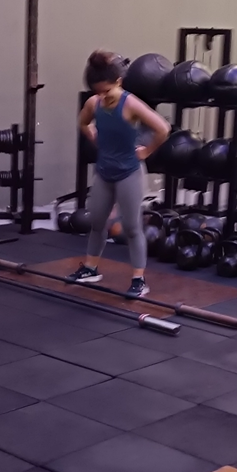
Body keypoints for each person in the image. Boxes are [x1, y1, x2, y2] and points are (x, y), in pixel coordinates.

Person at [70, 51, 170, 297]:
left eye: (107, 91)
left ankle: (139, 280)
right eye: (98, 92)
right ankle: (90, 268)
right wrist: (94, 138)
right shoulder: (93, 103)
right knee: (97, 223)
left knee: (132, 227)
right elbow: (83, 123)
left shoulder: (131, 104)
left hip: (129, 173)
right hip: (104, 172)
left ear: (118, 81)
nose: (103, 97)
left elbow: (163, 128)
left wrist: (146, 151)